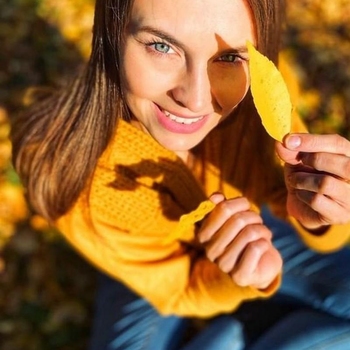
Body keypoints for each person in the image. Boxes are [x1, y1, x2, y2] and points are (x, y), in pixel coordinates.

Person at [10, 0, 350, 349]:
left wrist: (319, 213)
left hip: (255, 234)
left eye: (229, 57)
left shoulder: (261, 90)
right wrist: (231, 280)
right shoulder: (75, 172)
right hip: (150, 262)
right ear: (112, 33)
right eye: (162, 46)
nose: (196, 100)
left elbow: (287, 192)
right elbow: (178, 290)